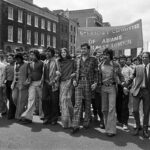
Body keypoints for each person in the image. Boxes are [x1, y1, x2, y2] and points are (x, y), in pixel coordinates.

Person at [71, 43, 98, 134]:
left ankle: (86, 122)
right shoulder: (77, 59)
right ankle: (75, 125)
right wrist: (74, 79)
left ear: (88, 50)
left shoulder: (93, 59)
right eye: (82, 49)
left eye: (85, 49)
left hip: (88, 82)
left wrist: (95, 82)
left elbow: (96, 72)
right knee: (77, 104)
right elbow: (74, 71)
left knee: (87, 103)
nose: (83, 50)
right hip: (79, 82)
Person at [99, 48, 125, 137]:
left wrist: (123, 83)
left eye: (107, 54)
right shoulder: (100, 65)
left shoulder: (115, 64)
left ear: (110, 55)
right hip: (103, 88)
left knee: (111, 108)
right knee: (104, 109)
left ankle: (111, 130)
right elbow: (97, 76)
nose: (105, 56)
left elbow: (121, 76)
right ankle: (107, 127)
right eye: (104, 54)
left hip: (112, 88)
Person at [126, 52, 150, 138]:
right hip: (137, 91)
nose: (144, 59)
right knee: (135, 110)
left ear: (149, 58)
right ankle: (138, 126)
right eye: (143, 57)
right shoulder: (138, 67)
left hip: (147, 92)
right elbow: (131, 77)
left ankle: (145, 129)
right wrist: (126, 86)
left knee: (146, 112)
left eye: (146, 57)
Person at [21, 50, 44, 124]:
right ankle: (28, 117)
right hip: (32, 84)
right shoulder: (29, 63)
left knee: (41, 99)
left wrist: (42, 81)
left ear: (37, 55)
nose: (32, 56)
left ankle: (42, 115)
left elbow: (44, 73)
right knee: (31, 99)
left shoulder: (42, 63)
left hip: (40, 83)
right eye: (31, 55)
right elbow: (29, 74)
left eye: (33, 55)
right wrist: (27, 81)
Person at [42, 47, 61, 125]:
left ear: (52, 53)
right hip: (45, 84)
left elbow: (59, 73)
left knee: (54, 102)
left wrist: (53, 81)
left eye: (49, 52)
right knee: (44, 100)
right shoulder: (45, 61)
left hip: (53, 84)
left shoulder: (56, 61)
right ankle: (47, 117)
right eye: (46, 51)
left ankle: (54, 118)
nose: (47, 53)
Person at [58, 48, 75, 128]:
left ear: (67, 53)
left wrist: (73, 75)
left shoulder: (72, 61)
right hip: (62, 82)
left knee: (66, 99)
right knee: (65, 100)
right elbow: (57, 71)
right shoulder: (59, 61)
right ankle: (68, 121)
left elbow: (75, 71)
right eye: (61, 52)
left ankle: (68, 121)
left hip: (69, 81)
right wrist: (57, 72)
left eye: (64, 52)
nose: (63, 53)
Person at [116, 55, 133, 130]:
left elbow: (132, 79)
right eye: (120, 59)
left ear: (125, 60)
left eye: (123, 59)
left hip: (126, 88)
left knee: (124, 106)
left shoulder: (129, 69)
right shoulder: (116, 68)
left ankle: (125, 123)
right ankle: (119, 120)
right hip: (117, 88)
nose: (122, 60)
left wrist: (127, 87)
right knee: (118, 105)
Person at [11, 53, 29, 120]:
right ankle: (22, 112)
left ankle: (19, 116)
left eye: (18, 59)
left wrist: (27, 82)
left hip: (23, 84)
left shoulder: (26, 64)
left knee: (21, 101)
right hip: (15, 84)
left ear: (21, 58)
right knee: (14, 98)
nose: (17, 60)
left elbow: (29, 74)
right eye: (16, 59)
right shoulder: (16, 64)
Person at [4, 53, 16, 119]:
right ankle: (14, 110)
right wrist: (3, 82)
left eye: (10, 58)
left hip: (13, 83)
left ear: (13, 59)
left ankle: (11, 114)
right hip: (7, 83)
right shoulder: (6, 66)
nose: (9, 59)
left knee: (12, 98)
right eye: (8, 58)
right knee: (8, 97)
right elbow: (5, 75)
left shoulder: (15, 66)